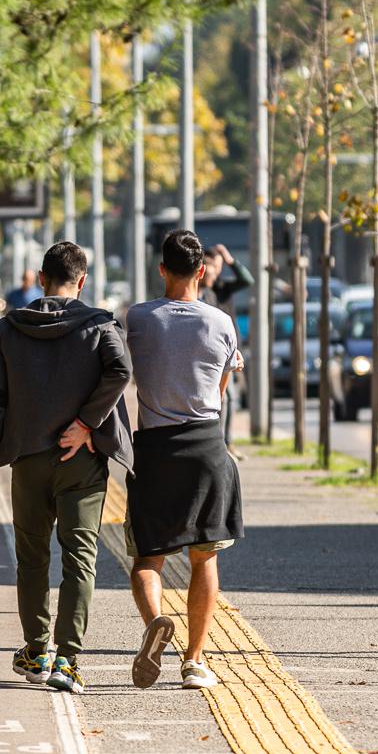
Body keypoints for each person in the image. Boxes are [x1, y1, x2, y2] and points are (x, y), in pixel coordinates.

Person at [0, 242, 132, 695]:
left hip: (27, 460)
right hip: (80, 460)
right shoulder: (99, 325)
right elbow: (120, 372)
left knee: (32, 558)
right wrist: (85, 424)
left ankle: (36, 648)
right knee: (80, 559)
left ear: (41, 279)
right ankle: (68, 661)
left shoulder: (7, 329)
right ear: (82, 282)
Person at [124, 230, 244, 692]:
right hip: (206, 446)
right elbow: (220, 389)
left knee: (147, 557)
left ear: (161, 270)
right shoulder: (220, 322)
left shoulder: (137, 318)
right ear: (201, 272)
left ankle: (156, 621)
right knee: (204, 555)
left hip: (154, 448)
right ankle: (194, 661)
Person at [199, 243, 254, 455]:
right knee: (219, 398)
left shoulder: (221, 287)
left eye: (220, 266)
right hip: (213, 352)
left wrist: (230, 260)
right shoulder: (203, 292)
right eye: (213, 265)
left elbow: (247, 280)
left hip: (230, 352)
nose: (216, 270)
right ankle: (218, 442)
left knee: (228, 397)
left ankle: (225, 441)